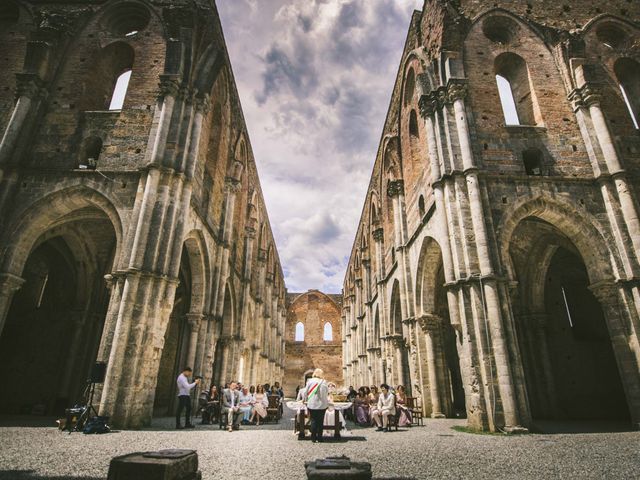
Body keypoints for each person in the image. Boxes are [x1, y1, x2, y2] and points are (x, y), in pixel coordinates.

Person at [303, 368, 328, 443]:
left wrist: (305, 400)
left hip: (312, 404)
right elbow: (325, 393)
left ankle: (313, 438)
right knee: (320, 421)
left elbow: (305, 392)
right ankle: (320, 438)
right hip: (321, 404)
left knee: (313, 420)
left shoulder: (310, 381)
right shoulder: (323, 382)